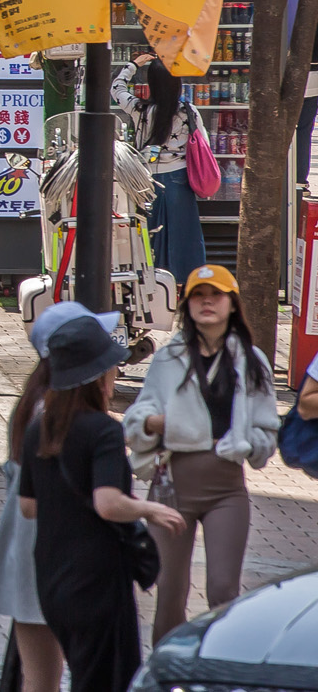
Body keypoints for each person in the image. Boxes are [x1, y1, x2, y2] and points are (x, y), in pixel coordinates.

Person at [18, 315, 186, 692]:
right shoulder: (104, 431)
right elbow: (108, 504)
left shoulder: (37, 430)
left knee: (81, 670)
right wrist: (150, 509)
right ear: (97, 377)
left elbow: (28, 506)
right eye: (111, 367)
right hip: (98, 582)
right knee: (106, 680)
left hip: (51, 580)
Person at [122, 264, 279, 641]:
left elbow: (267, 430)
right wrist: (159, 424)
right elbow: (137, 418)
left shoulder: (251, 360)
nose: (207, 301)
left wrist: (246, 444)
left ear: (232, 303)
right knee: (170, 594)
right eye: (197, 295)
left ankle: (219, 673)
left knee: (224, 591)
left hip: (227, 486)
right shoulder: (169, 357)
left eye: (216, 294)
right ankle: (167, 675)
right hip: (173, 485)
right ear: (186, 304)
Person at [0, 304, 102, 692]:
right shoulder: (60, 415)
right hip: (59, 557)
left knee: (38, 677)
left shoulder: (32, 406)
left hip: (26, 555)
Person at [121, 55, 208, 278]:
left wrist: (134, 65)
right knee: (183, 236)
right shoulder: (187, 111)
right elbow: (204, 145)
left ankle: (153, 280)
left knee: (150, 234)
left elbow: (116, 87)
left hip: (146, 182)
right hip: (179, 178)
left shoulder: (139, 109)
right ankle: (183, 282)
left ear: (152, 83)